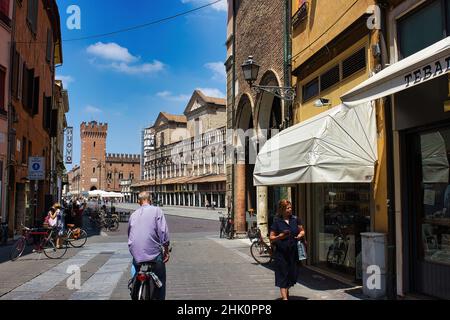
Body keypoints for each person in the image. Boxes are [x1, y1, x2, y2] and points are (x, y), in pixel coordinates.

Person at [128, 191, 170, 300]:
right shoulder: (157, 211)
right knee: (160, 278)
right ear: (150, 200)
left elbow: (129, 234)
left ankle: (133, 283)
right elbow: (163, 232)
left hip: (136, 253)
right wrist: (166, 249)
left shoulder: (133, 214)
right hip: (154, 254)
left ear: (138, 201)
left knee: (135, 264)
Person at [269, 199, 305, 300]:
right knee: (282, 275)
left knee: (293, 275)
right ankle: (285, 298)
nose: (290, 209)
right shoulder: (277, 222)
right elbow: (271, 238)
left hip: (293, 253)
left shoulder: (295, 219)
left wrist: (300, 235)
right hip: (281, 253)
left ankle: (286, 287)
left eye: (290, 207)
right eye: (288, 208)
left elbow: (302, 231)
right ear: (282, 209)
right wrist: (279, 237)